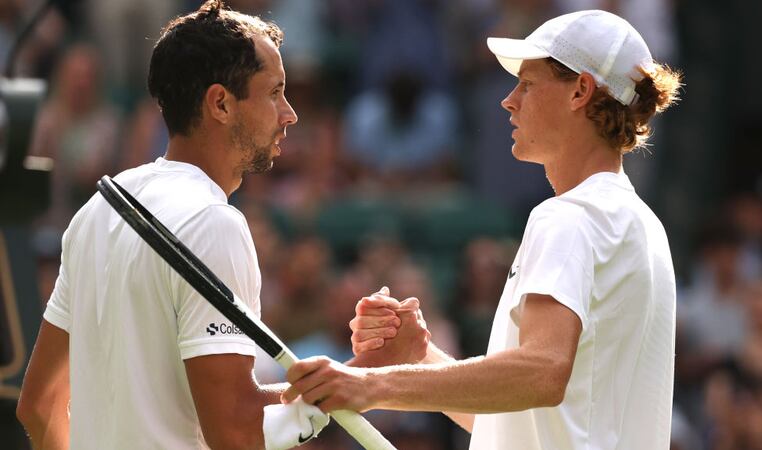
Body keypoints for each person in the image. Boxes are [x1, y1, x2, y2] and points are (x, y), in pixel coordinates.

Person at [283, 10, 682, 450]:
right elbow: (516, 421)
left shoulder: (570, 216)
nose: (509, 100)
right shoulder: (644, 227)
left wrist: (371, 384)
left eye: (527, 84)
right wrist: (419, 357)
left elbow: (542, 373)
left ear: (581, 92)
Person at [15, 2, 332, 449]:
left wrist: (324, 391)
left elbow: (39, 404)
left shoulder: (94, 214)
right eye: (275, 92)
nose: (289, 114)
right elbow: (235, 432)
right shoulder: (214, 224)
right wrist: (323, 407)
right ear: (220, 103)